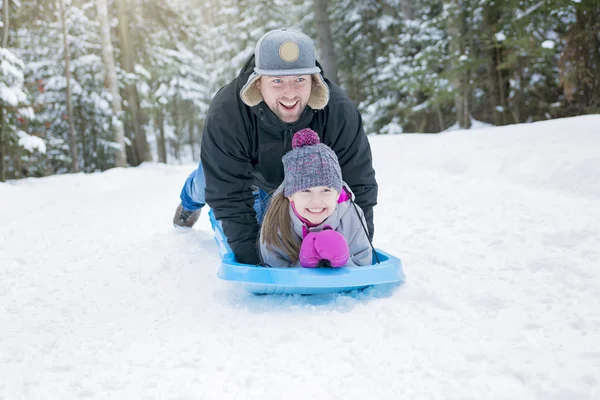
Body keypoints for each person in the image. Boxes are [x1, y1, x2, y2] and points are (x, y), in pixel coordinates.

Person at [173, 28, 378, 265]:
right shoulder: (228, 111)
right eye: (277, 81)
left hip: (303, 183)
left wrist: (360, 246)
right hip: (246, 174)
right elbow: (226, 192)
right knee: (208, 181)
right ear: (258, 83)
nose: (289, 93)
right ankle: (188, 204)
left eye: (300, 80)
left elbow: (357, 183)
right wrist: (253, 263)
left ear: (314, 82)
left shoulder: (338, 112)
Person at [260, 128, 373, 268]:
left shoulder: (352, 216)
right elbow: (273, 272)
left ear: (338, 193)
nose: (316, 201)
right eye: (306, 191)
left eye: (326, 190)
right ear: (290, 195)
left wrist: (343, 261)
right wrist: (303, 264)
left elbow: (364, 266)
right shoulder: (277, 219)